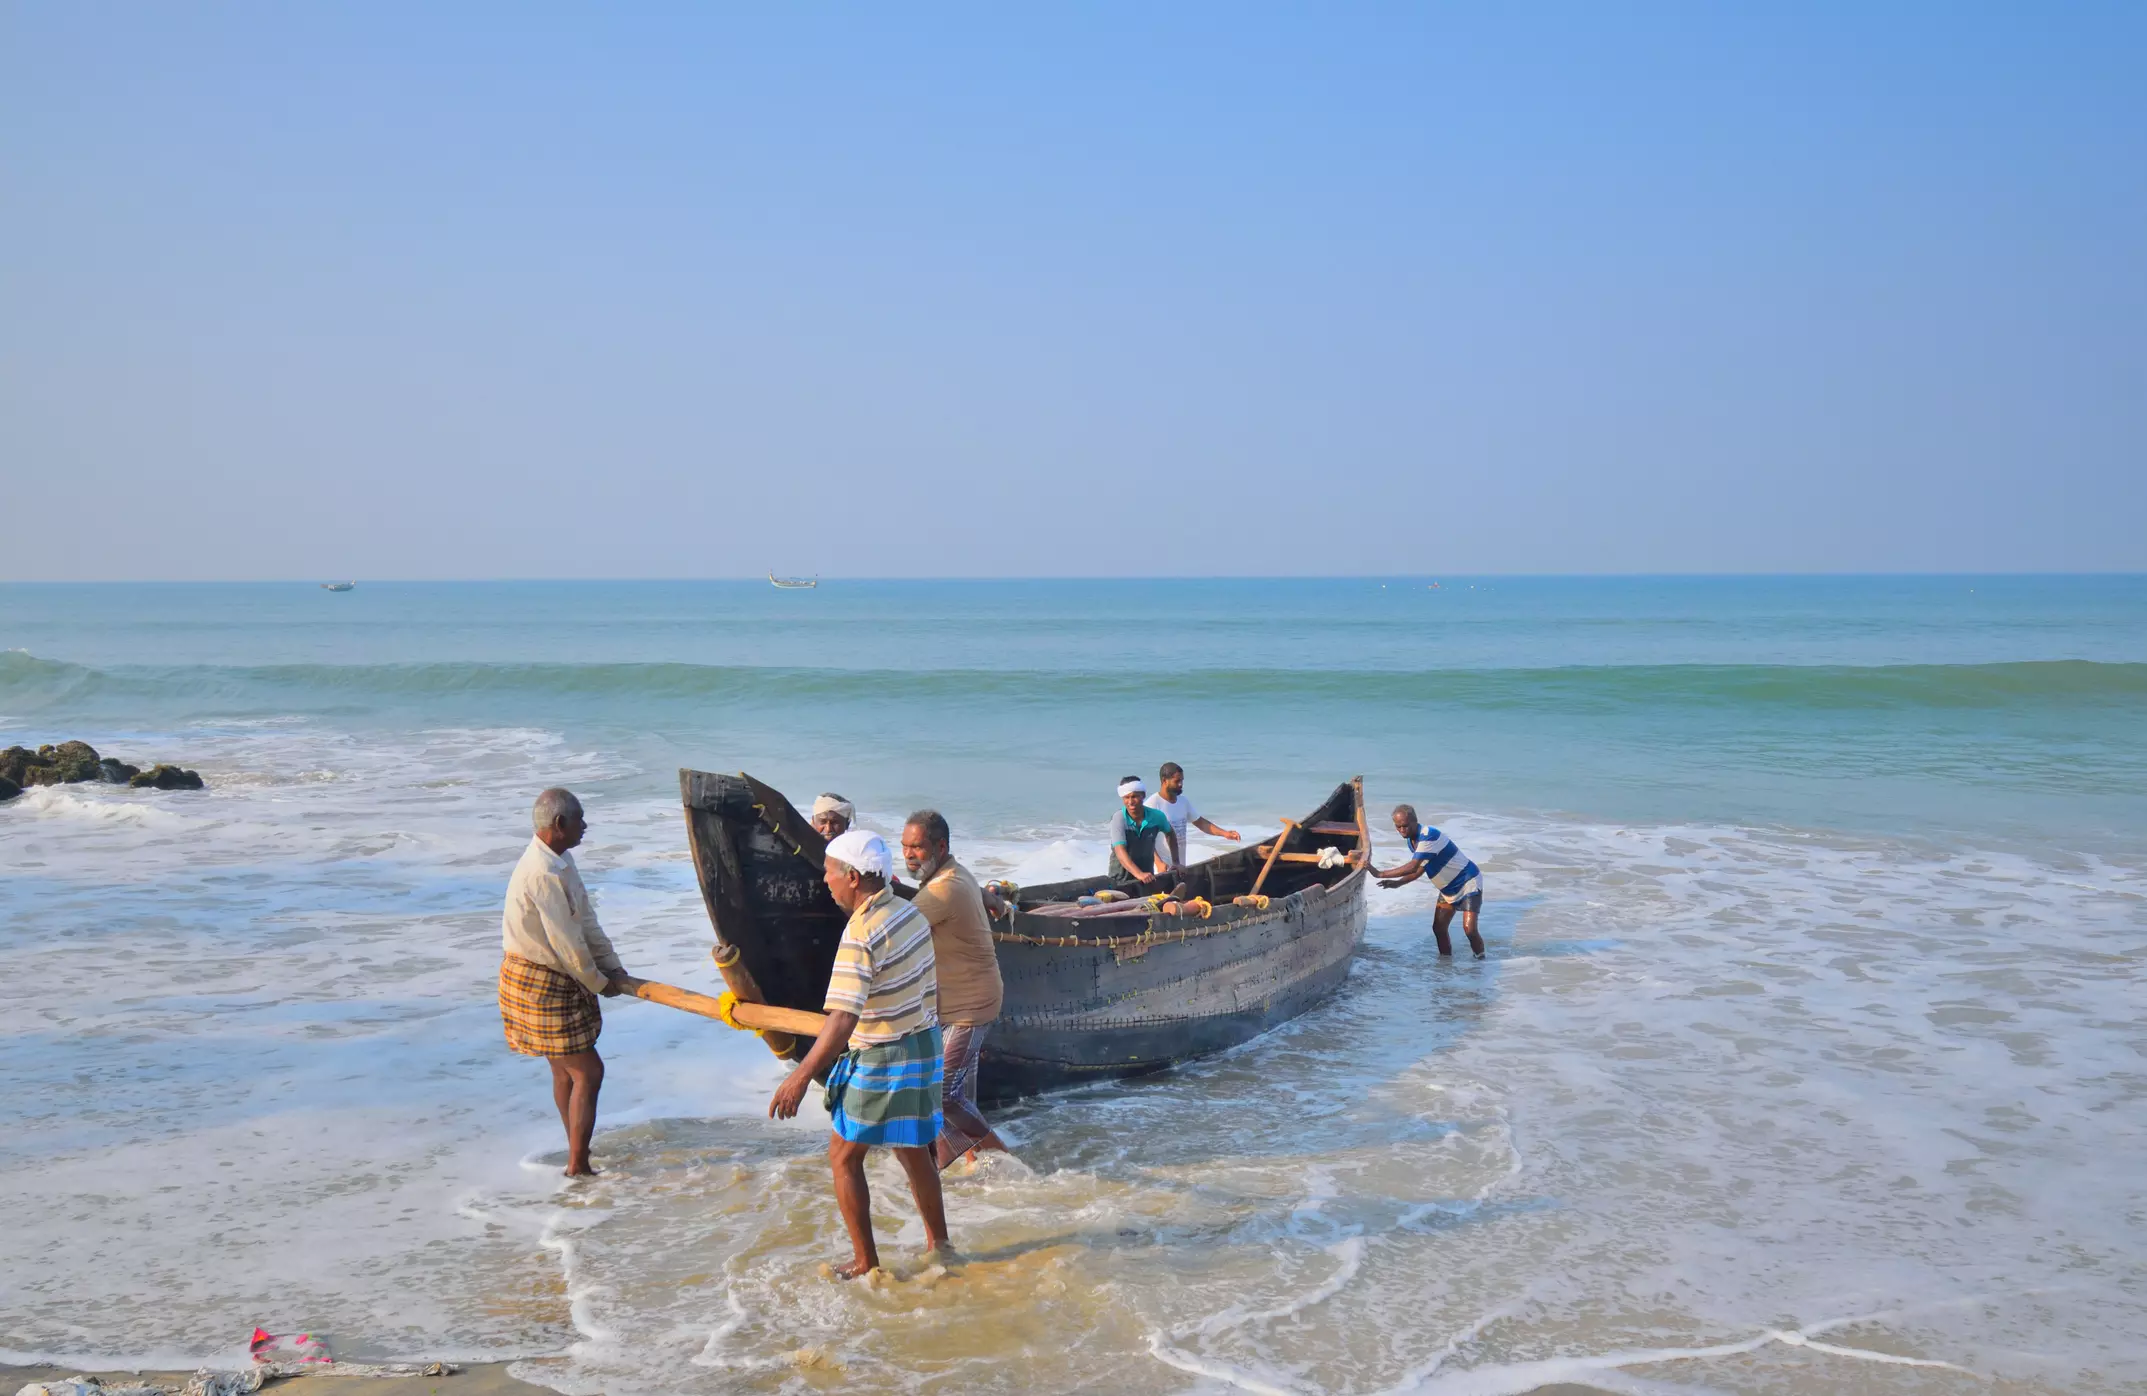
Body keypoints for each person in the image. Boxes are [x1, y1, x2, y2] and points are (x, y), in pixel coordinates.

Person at [768, 829, 951, 1278]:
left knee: (843, 1157)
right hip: (923, 1045)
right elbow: (931, 990)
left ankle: (866, 1261)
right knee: (911, 1148)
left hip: (884, 1054)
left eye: (829, 873)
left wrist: (798, 1076)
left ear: (852, 877)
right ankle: (941, 1245)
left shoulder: (860, 932)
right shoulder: (909, 912)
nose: (824, 882)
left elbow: (843, 1019)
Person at [499, 788, 632, 1177]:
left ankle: (577, 1150)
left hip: (555, 973)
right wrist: (597, 981)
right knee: (587, 1072)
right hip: (539, 978)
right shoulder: (541, 873)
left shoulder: (560, 861)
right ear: (559, 824)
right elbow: (567, 942)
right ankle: (578, 1165)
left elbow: (586, 922)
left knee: (566, 1072)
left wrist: (613, 968)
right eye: (580, 820)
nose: (585, 827)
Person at [899, 809, 1009, 1168]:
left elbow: (894, 932)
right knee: (961, 1097)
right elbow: (971, 890)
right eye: (904, 847)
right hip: (957, 1001)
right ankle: (970, 1168)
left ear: (940, 846)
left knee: (942, 1094)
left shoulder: (942, 890)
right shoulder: (954, 874)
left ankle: (1007, 1162)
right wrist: (993, 900)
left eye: (916, 847)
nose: (908, 855)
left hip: (969, 1007)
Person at [1366, 803, 1486, 957]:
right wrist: (1397, 883)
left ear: (1415, 821)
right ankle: (1445, 966)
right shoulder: (1412, 840)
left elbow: (1413, 866)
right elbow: (1419, 870)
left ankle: (1480, 963)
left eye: (1405, 826)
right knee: (1439, 929)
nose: (1402, 830)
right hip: (1447, 888)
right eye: (1398, 827)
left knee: (1469, 929)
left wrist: (1379, 873)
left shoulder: (1429, 835)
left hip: (1467, 882)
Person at [1147, 761, 1241, 873]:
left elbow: (1201, 823)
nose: (1181, 784)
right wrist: (1158, 863)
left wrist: (1225, 833)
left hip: (1180, 866)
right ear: (1164, 781)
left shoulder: (1183, 801)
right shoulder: (1152, 804)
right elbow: (1145, 839)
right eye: (1177, 781)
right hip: (1161, 870)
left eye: (1182, 780)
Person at [1107, 776, 1181, 887]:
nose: (1130, 802)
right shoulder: (1119, 818)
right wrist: (1139, 874)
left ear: (1143, 795)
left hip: (1147, 877)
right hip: (1120, 879)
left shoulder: (1156, 816)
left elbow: (1170, 833)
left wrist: (1176, 862)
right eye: (1126, 798)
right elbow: (1120, 850)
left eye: (1134, 796)